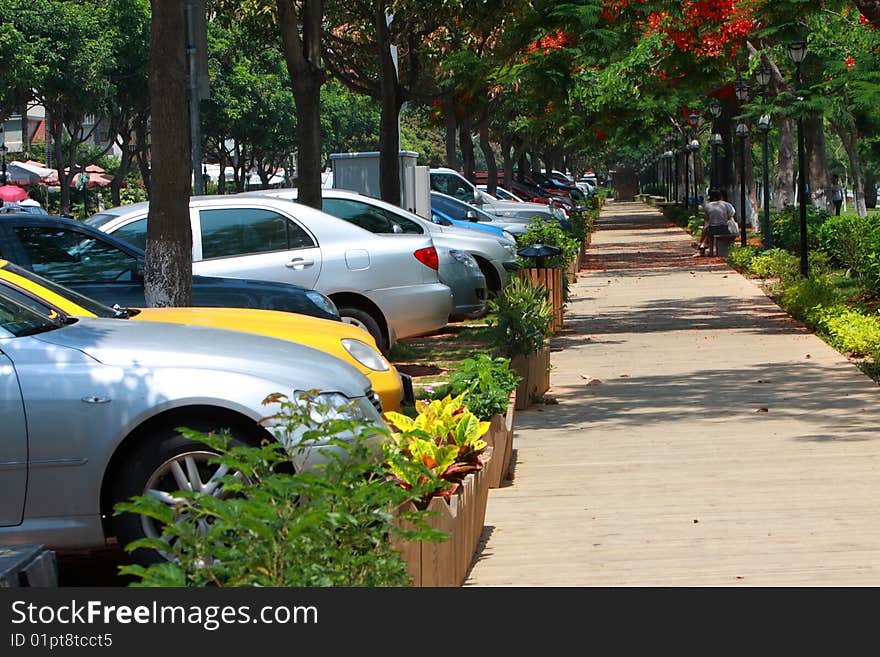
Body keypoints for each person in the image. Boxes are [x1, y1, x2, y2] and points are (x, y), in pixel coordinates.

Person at [693, 189, 734, 256]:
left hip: (712, 230)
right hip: (724, 229)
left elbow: (707, 220)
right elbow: (730, 217)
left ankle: (705, 248)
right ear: (721, 197)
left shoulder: (708, 206)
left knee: (708, 230)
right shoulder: (727, 205)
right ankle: (702, 245)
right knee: (709, 230)